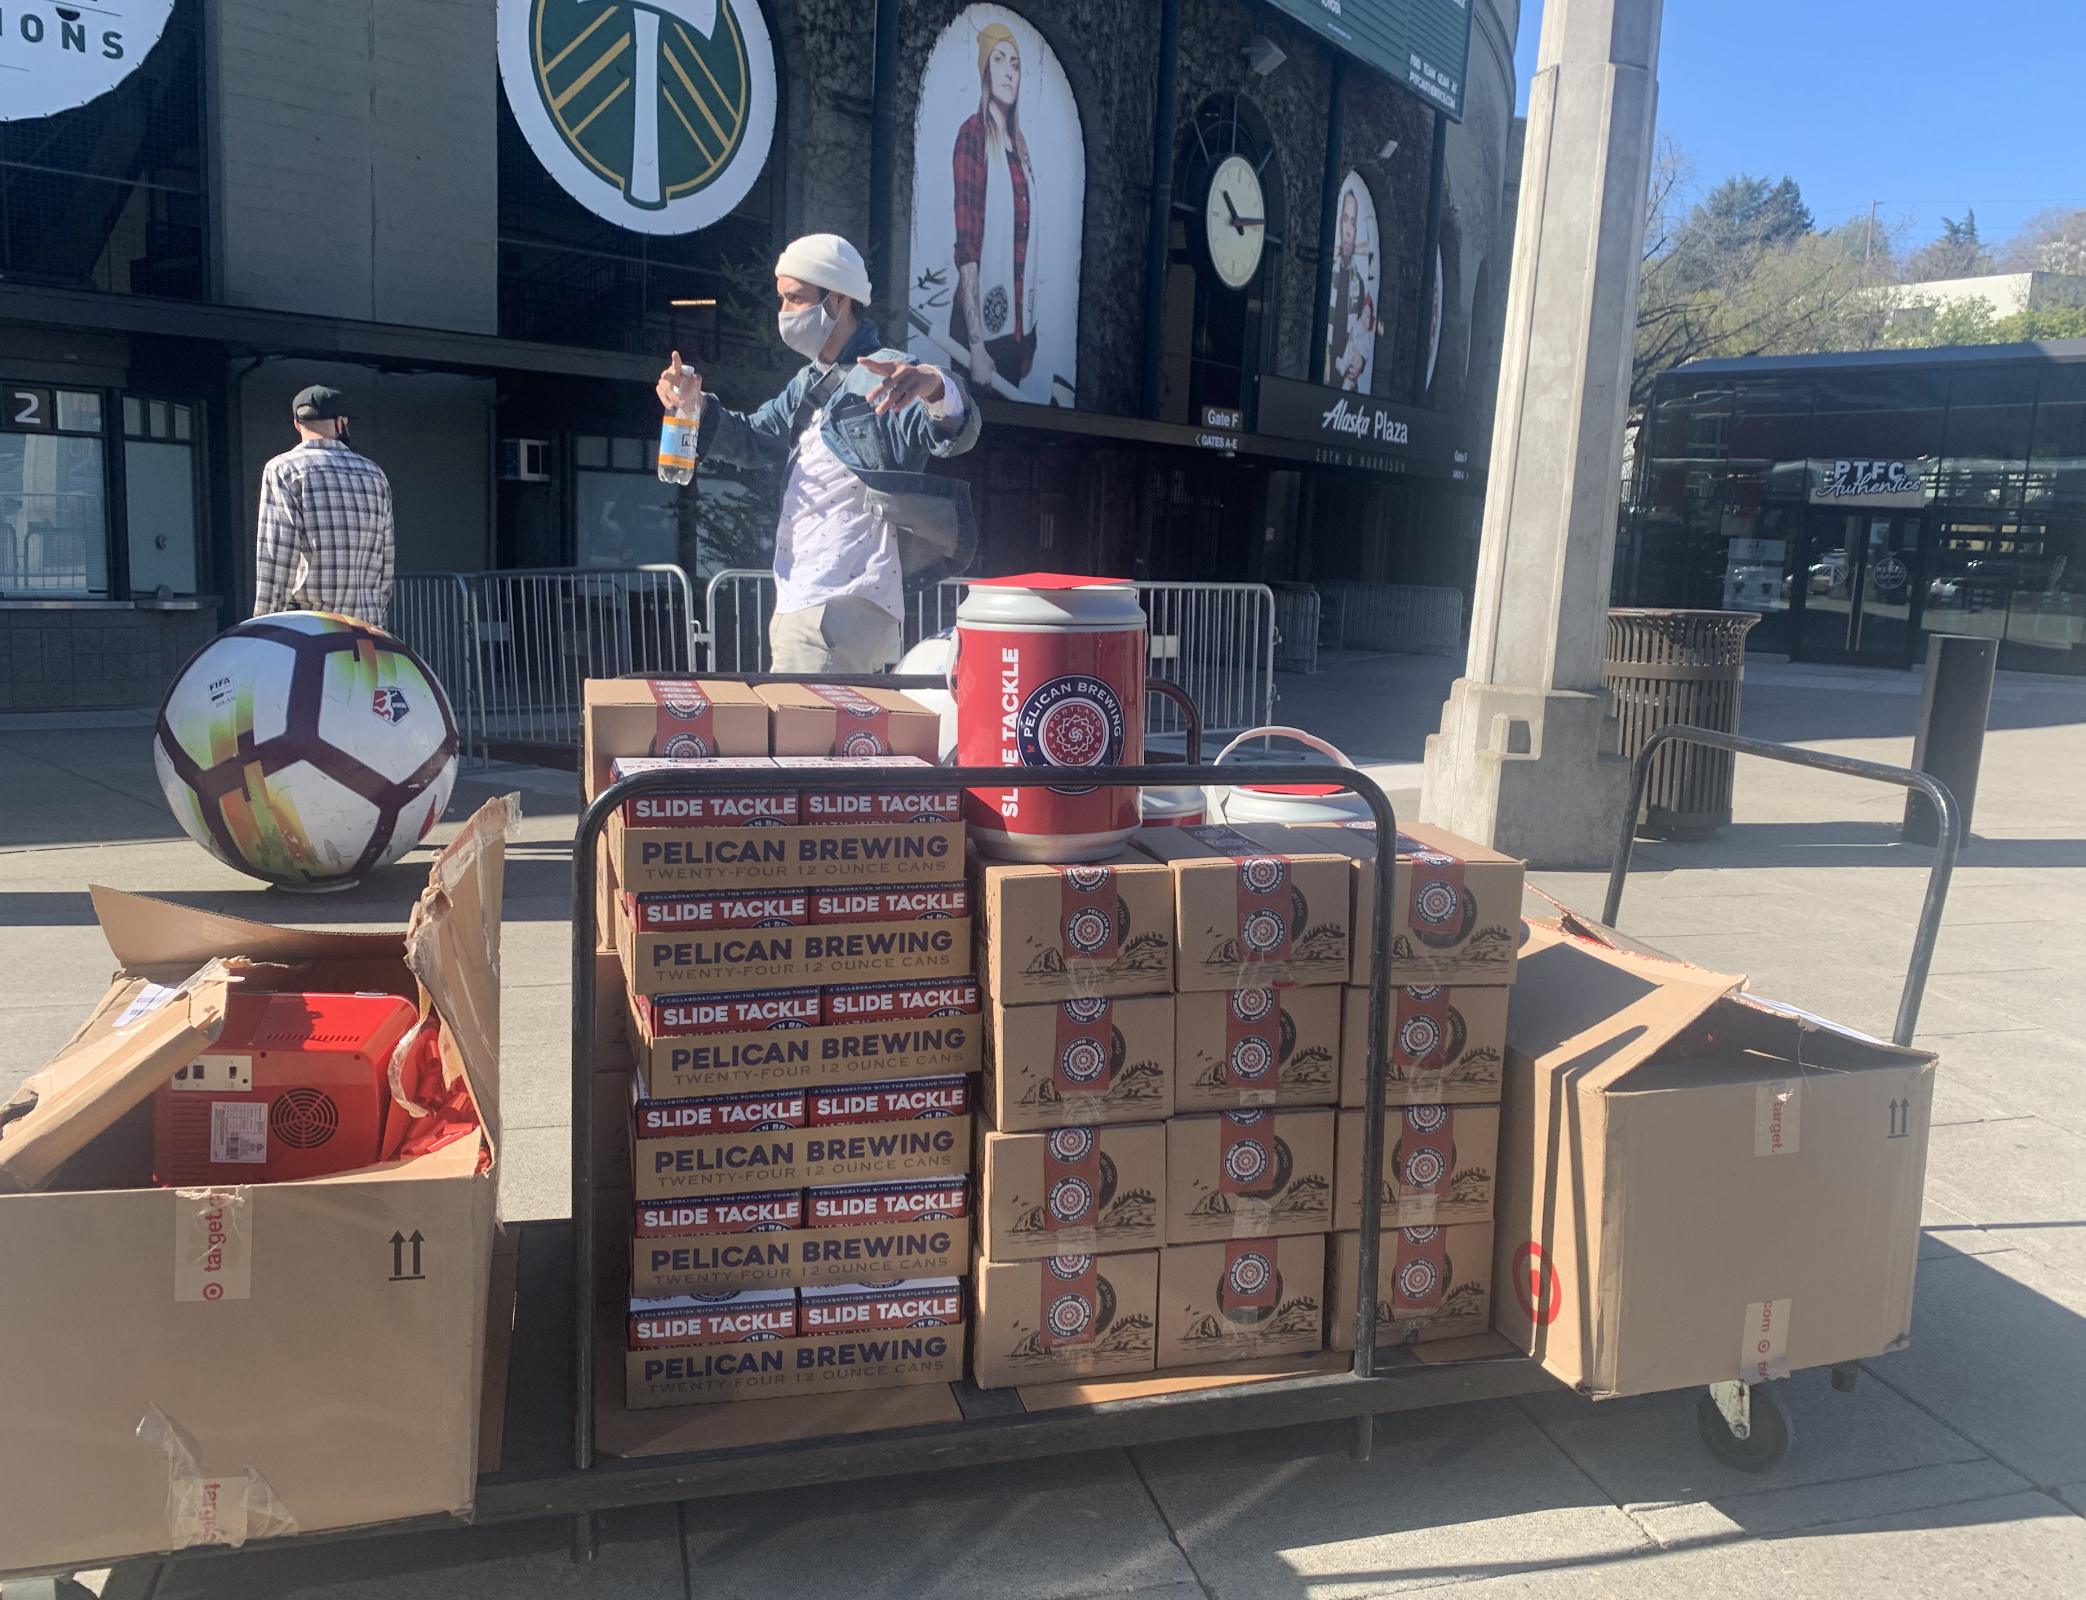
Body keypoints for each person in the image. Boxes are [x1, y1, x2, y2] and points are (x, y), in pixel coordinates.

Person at [655, 234, 979, 674]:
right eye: (782, 300)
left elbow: (951, 429)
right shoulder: (810, 383)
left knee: (805, 721)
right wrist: (694, 406)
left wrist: (934, 384)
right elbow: (753, 438)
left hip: (838, 601)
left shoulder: (883, 371)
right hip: (813, 600)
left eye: (796, 298)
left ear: (839, 299)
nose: (785, 312)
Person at [252, 385, 395, 625]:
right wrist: (377, 616)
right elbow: (385, 560)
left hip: (308, 626)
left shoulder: (283, 469)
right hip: (364, 626)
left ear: (297, 424)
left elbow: (277, 556)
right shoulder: (374, 473)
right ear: (341, 423)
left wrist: (265, 623)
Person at [950, 20, 1037, 392]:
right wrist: (976, 346)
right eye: (999, 60)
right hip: (980, 336)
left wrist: (1028, 338)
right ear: (985, 70)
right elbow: (967, 249)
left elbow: (1027, 252)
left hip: (1016, 336)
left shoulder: (1021, 151)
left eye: (1015, 64)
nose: (1009, 72)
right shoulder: (972, 137)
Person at [1327, 188, 1377, 392]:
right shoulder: (1327, 273)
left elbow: (1369, 329)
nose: (1348, 230)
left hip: (1346, 392)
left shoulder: (1361, 283)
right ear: (1339, 224)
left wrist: (1361, 361)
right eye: (1345, 220)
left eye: (1353, 222)